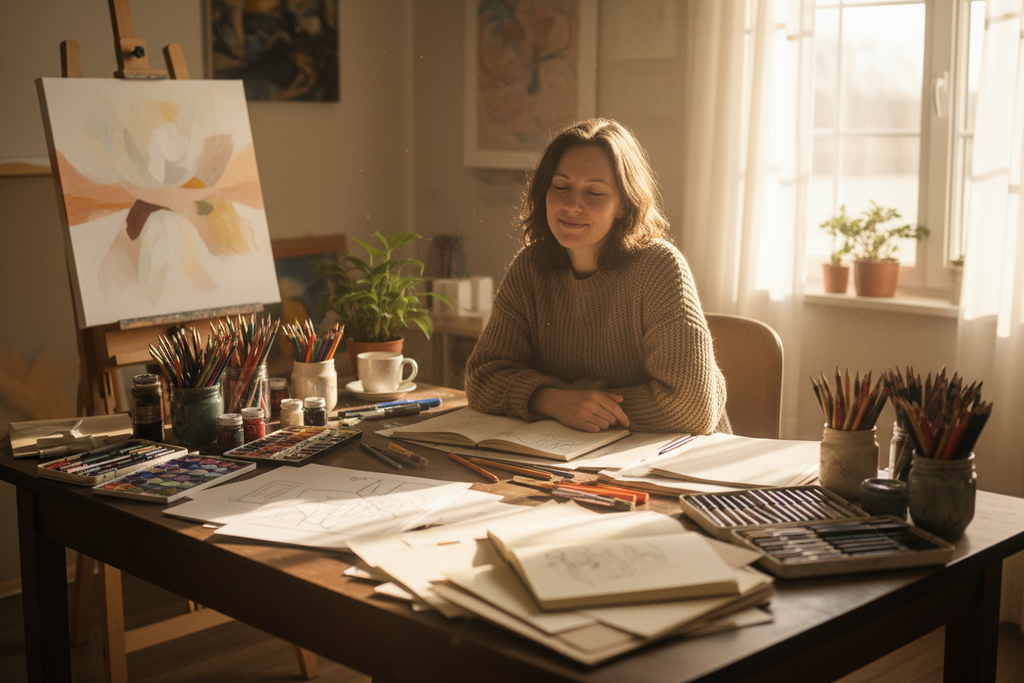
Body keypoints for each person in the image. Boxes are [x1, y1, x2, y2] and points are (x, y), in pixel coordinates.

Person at [464, 118, 731, 435]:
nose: (571, 205)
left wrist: (585, 406)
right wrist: (555, 401)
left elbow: (693, 407)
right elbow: (481, 378)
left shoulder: (659, 267)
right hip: (574, 457)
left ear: (623, 204)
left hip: (675, 463)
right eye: (560, 187)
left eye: (594, 193)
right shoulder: (530, 267)